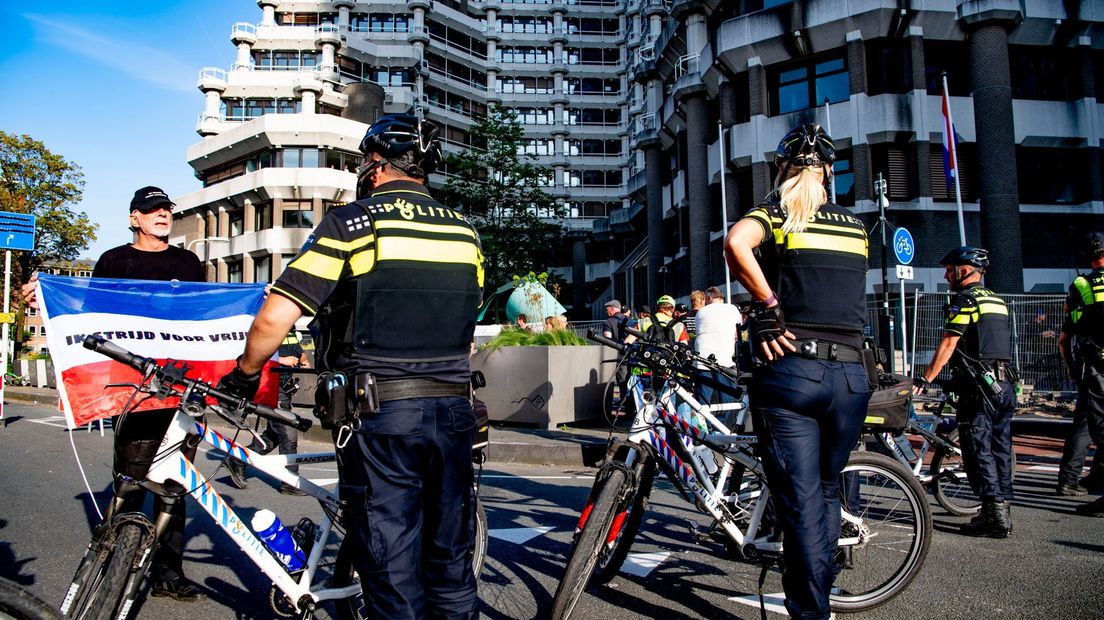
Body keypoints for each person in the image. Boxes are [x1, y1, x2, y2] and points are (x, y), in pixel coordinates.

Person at [214, 114, 482, 618]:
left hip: (382, 418)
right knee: (449, 561)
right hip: (454, 413)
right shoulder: (465, 232)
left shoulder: (353, 222)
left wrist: (244, 375)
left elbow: (277, 314)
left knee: (390, 566)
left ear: (376, 165)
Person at [22, 186, 206, 601]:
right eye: (151, 210)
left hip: (180, 386)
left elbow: (204, 314)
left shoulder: (189, 262)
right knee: (131, 478)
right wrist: (47, 296)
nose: (161, 215)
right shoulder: (113, 260)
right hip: (133, 389)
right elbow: (89, 316)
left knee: (175, 484)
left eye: (165, 209)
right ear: (134, 218)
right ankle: (112, 557)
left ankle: (167, 571)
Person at [724, 123, 871, 620]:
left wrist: (767, 304)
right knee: (828, 493)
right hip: (852, 377)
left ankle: (811, 615)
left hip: (792, 370)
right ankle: (821, 601)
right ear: (829, 173)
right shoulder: (855, 227)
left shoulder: (777, 215)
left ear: (781, 172)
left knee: (803, 502)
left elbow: (736, 243)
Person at [913, 246, 1015, 537]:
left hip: (979, 388)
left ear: (965, 270)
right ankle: (1002, 508)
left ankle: (994, 516)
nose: (946, 275)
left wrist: (926, 377)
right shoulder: (997, 300)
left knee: (978, 448)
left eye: (950, 270)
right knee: (1001, 448)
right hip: (1004, 384)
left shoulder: (966, 299)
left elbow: (949, 343)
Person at [224, 330, 311, 495]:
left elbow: (300, 354)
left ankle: (238, 460)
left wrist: (303, 360)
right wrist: (282, 360)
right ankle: (290, 482)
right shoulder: (266, 328)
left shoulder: (290, 331)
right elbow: (248, 358)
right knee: (288, 434)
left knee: (274, 436)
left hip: (285, 389)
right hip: (270, 389)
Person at [1057, 232, 1104, 509]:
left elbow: (1068, 332)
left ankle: (1072, 478)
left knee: (1087, 422)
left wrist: (1072, 367)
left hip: (1092, 365)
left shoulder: (1081, 283)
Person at [693, 286, 742, 408]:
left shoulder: (701, 312)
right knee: (727, 400)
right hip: (724, 360)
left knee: (703, 401)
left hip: (702, 360)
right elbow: (739, 331)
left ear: (709, 297)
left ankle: (703, 425)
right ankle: (722, 424)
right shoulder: (733, 309)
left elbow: (697, 329)